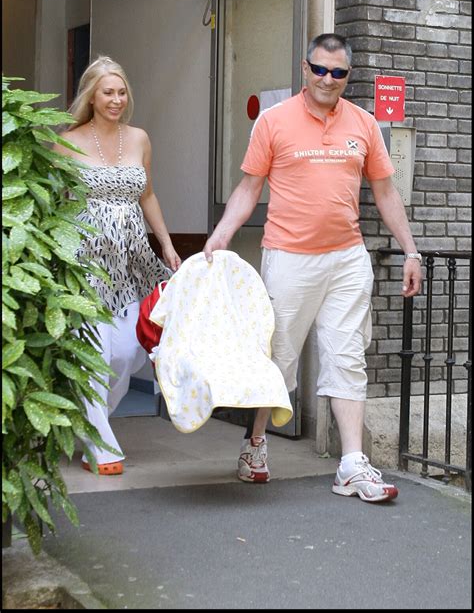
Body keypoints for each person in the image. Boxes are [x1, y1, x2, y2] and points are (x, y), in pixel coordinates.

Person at [203, 33, 423, 501]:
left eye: (338, 73)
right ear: (305, 69)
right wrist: (221, 234)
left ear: (348, 76)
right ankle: (255, 445)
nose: (328, 79)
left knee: (348, 356)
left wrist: (411, 250)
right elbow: (248, 188)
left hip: (347, 258)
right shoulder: (273, 122)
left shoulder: (363, 124)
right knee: (278, 357)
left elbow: (385, 193)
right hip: (289, 257)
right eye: (320, 69)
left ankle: (350, 464)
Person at [53, 55, 181, 475]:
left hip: (131, 264)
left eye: (122, 92)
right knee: (92, 350)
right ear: (91, 95)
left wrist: (164, 243)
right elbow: (56, 204)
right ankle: (100, 446)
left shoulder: (140, 138)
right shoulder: (66, 141)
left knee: (127, 352)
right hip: (84, 262)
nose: (116, 100)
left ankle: (88, 422)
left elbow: (147, 195)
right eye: (108, 92)